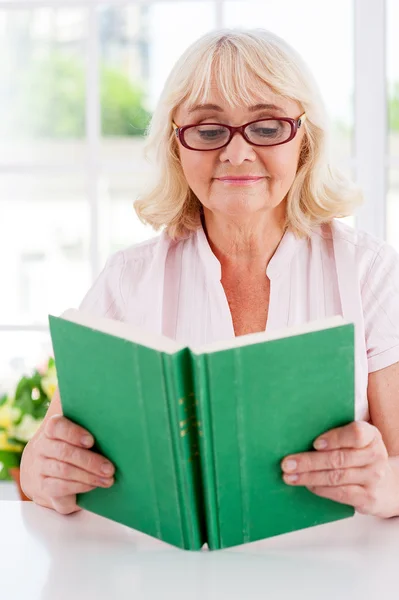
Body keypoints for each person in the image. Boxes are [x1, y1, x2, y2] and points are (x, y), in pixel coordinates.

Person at [21, 29, 399, 519]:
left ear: (303, 140)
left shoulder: (368, 272)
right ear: (176, 145)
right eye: (207, 129)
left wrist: (385, 484)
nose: (237, 153)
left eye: (266, 127)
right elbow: (41, 470)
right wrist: (41, 472)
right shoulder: (126, 281)